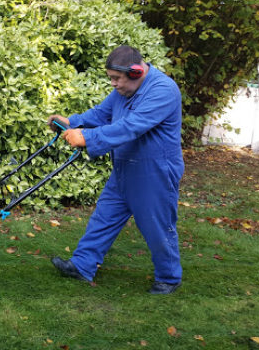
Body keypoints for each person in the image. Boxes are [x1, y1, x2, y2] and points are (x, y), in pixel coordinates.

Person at [47, 45, 184, 295]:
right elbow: (101, 113)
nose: (113, 84)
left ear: (136, 72)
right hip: (125, 166)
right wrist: (70, 122)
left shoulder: (163, 90)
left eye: (116, 78)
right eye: (111, 78)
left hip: (155, 172)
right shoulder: (123, 90)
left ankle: (168, 277)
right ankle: (82, 265)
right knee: (104, 217)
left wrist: (86, 138)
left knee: (156, 225)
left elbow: (131, 127)